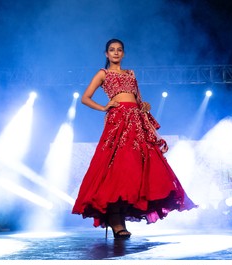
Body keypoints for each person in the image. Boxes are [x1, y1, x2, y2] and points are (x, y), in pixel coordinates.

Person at [72, 38, 197, 239]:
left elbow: (137, 99)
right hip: (117, 121)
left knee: (134, 170)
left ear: (123, 54)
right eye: (111, 50)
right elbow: (85, 97)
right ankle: (115, 221)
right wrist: (104, 107)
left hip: (136, 121)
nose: (115, 53)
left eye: (119, 50)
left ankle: (120, 217)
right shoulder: (103, 74)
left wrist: (144, 106)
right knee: (115, 169)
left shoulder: (131, 74)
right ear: (106, 54)